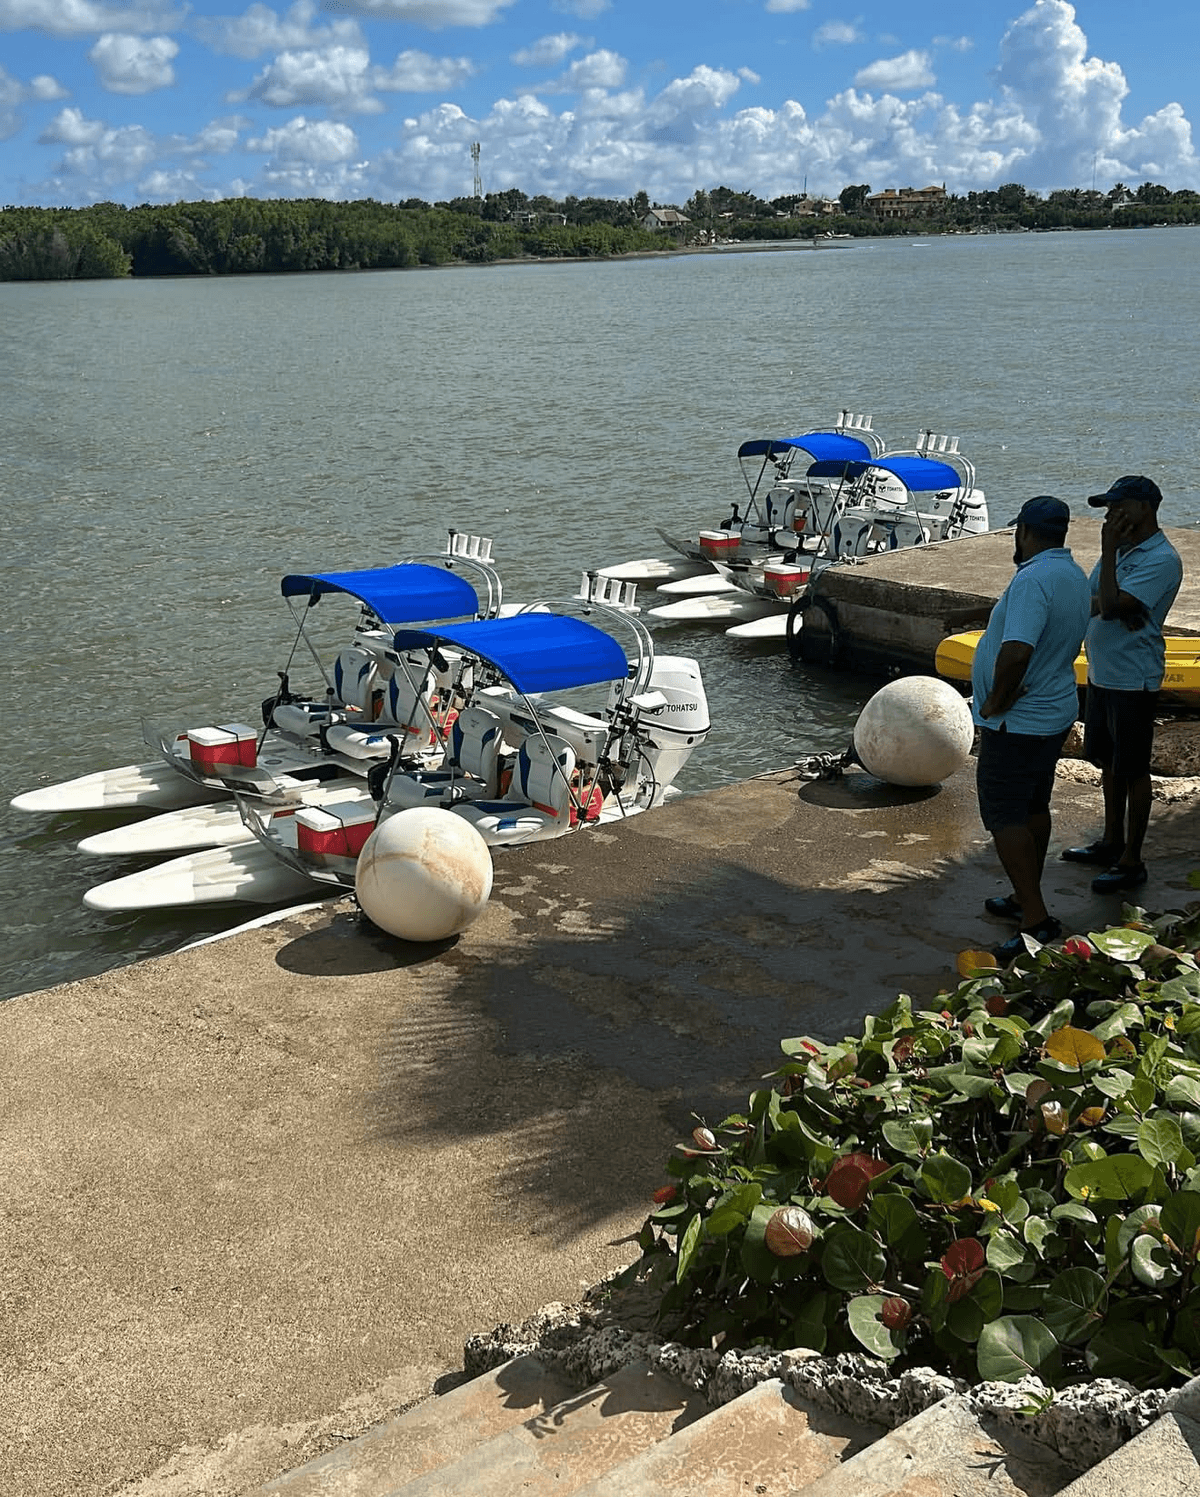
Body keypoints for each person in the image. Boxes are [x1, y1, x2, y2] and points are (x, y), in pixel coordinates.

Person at [946, 497, 1091, 963]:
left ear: (1025, 531)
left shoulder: (1033, 579)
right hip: (1052, 712)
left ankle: (1036, 920)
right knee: (1033, 806)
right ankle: (1022, 894)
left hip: (1019, 720)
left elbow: (1017, 652)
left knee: (1004, 814)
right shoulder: (1072, 574)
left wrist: (994, 701)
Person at [1060, 475, 1183, 893]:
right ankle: (1111, 841)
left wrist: (1109, 557)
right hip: (1103, 673)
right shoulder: (1124, 552)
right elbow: (1096, 599)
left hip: (1134, 677)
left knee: (1133, 769)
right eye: (1108, 509)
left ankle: (1132, 859)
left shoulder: (1161, 558)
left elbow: (1108, 605)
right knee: (1108, 763)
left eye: (1118, 507)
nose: (1111, 517)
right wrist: (1113, 602)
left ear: (1146, 508)